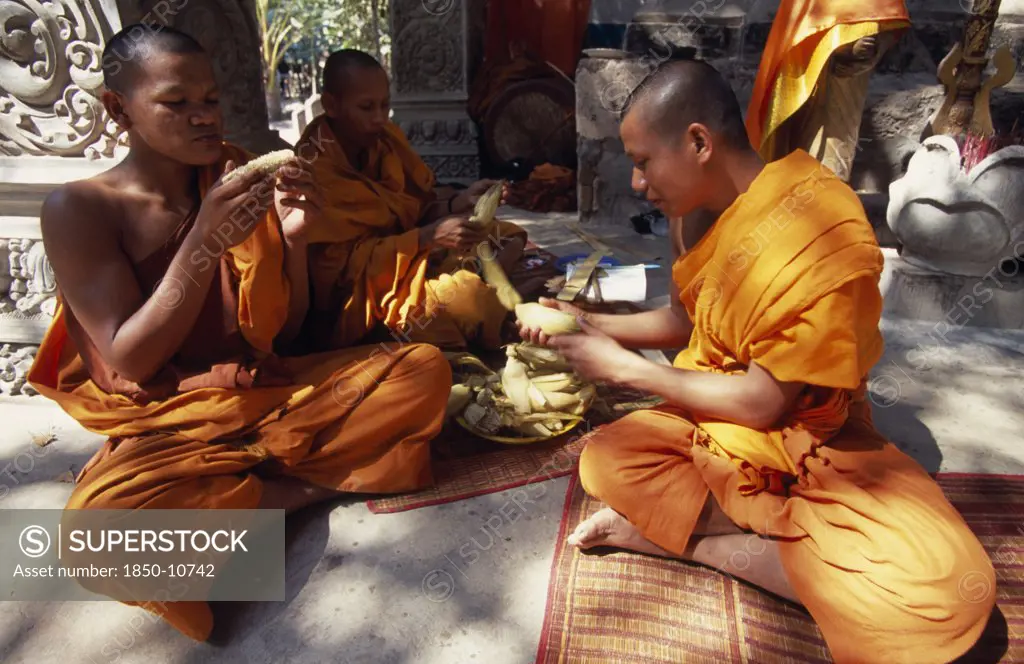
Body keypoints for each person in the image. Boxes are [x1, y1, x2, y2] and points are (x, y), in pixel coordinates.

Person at [519, 59, 995, 663]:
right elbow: (687, 321)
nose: (638, 184)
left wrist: (624, 368)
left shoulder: (822, 221)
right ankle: (801, 549)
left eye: (642, 162)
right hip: (719, 421)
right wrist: (592, 325)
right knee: (606, 460)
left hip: (809, 434)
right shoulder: (689, 215)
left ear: (698, 142)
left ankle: (683, 542)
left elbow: (767, 402)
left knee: (946, 601)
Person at [28, 25, 450, 642]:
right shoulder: (81, 209)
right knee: (97, 540)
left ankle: (256, 498)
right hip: (172, 414)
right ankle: (295, 487)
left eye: (212, 100)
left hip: (263, 390)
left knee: (422, 369)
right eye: (177, 103)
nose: (203, 117)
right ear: (118, 109)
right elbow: (133, 361)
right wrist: (202, 241)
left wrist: (297, 243)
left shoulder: (234, 180)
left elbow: (293, 335)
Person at [295, 49, 530, 352]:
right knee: (465, 302)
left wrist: (458, 202)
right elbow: (338, 276)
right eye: (366, 107)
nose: (379, 118)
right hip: (366, 296)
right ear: (331, 105)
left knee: (504, 234)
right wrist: (426, 238)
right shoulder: (313, 169)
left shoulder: (387, 140)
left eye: (385, 105)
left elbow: (416, 206)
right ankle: (481, 296)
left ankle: (481, 287)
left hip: (413, 258)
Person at [746, 0, 910, 181]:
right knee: (803, 126)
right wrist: (843, 46)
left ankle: (827, 185)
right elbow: (809, 26)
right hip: (814, 59)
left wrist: (872, 46)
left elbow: (883, 16)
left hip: (847, 77)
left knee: (836, 139)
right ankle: (807, 184)